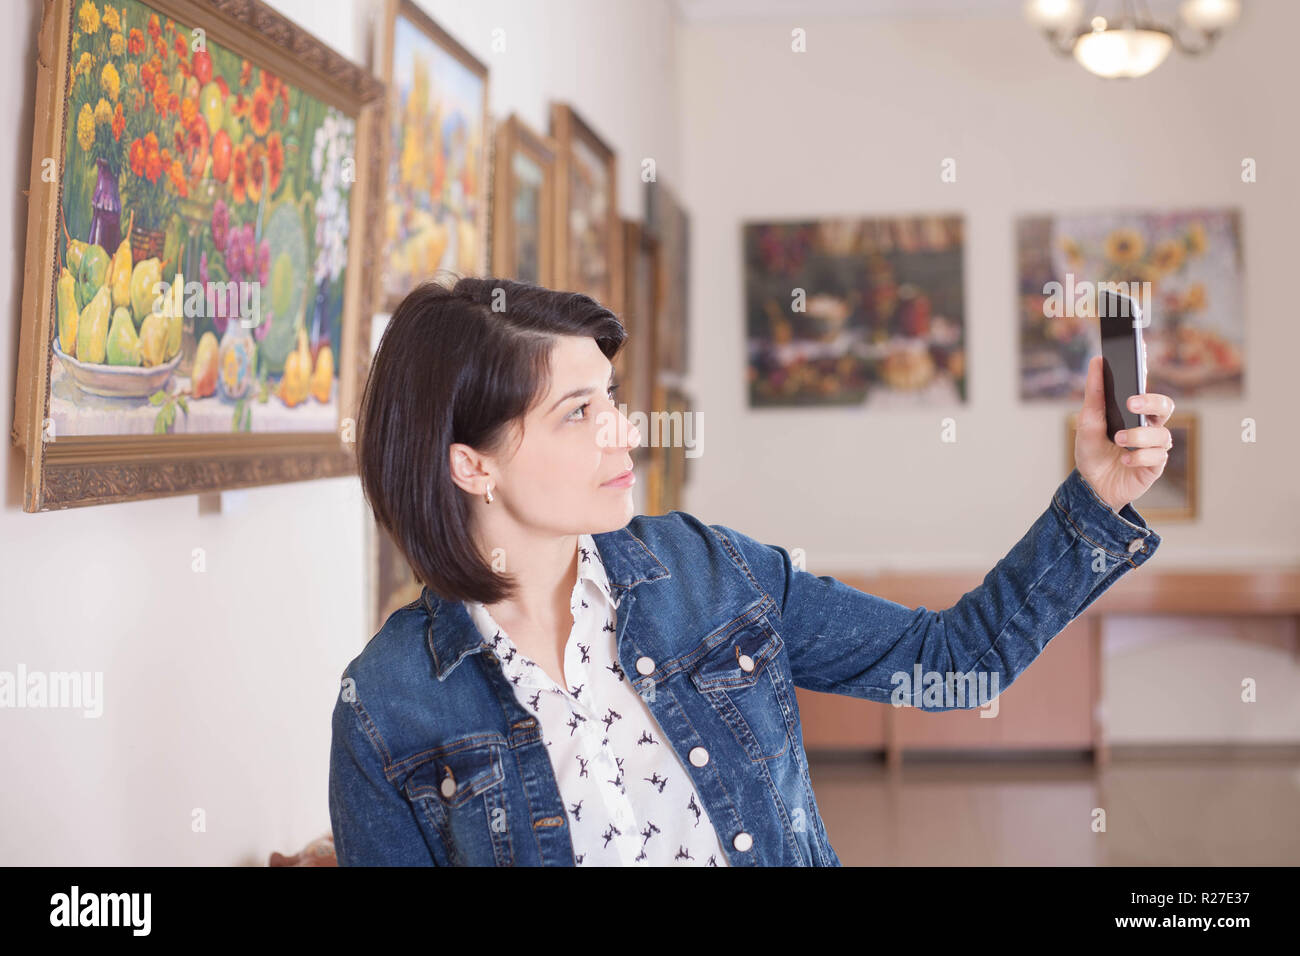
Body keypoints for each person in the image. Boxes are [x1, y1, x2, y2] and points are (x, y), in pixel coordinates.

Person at [329, 275, 1172, 866]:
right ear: (471, 465)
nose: (624, 432)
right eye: (579, 412)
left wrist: (1097, 496)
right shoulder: (388, 703)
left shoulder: (710, 573)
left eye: (612, 398)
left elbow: (954, 666)